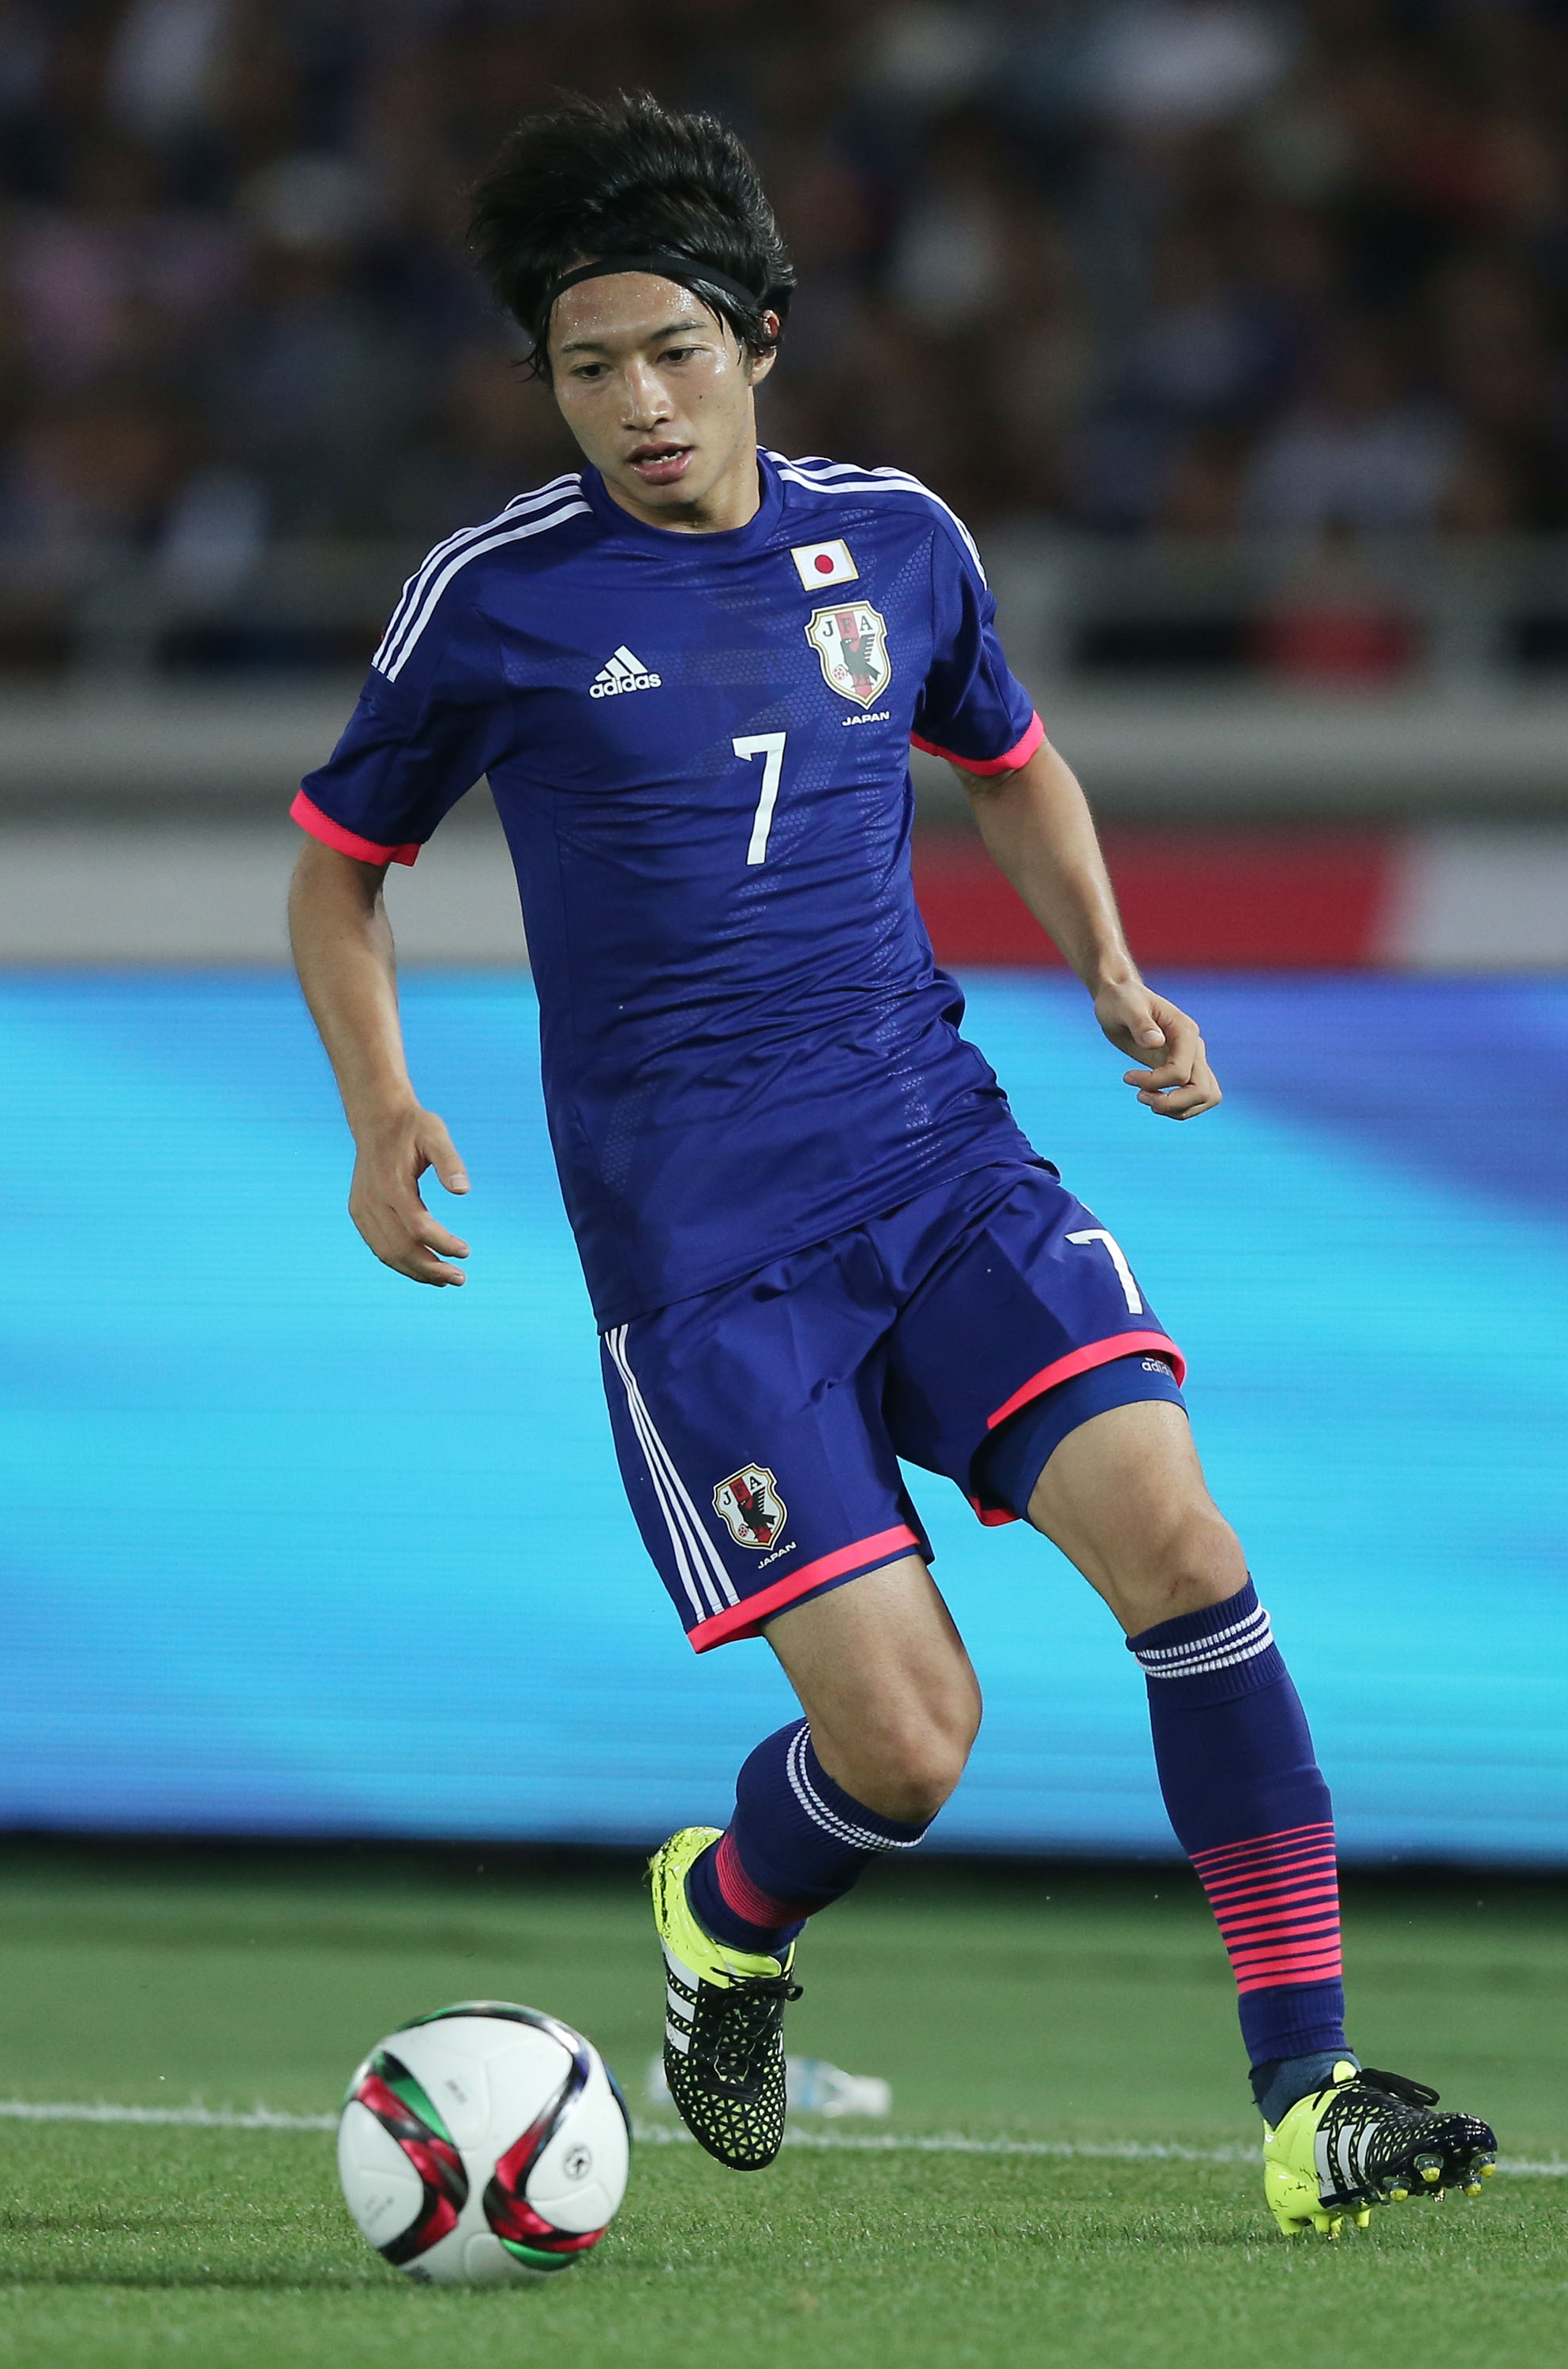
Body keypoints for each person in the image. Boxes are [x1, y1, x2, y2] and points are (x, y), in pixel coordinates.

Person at [287, 92, 1496, 2237]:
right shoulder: (497, 598)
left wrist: (1113, 971)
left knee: (1185, 1548)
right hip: (706, 1258)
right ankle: (728, 1909)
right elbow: (337, 869)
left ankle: (1314, 2096)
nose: (639, 405)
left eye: (673, 351)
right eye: (587, 369)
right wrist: (382, 1109)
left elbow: (1011, 760)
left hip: (940, 1163)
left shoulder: (901, 542)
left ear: (761, 338)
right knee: (913, 1748)